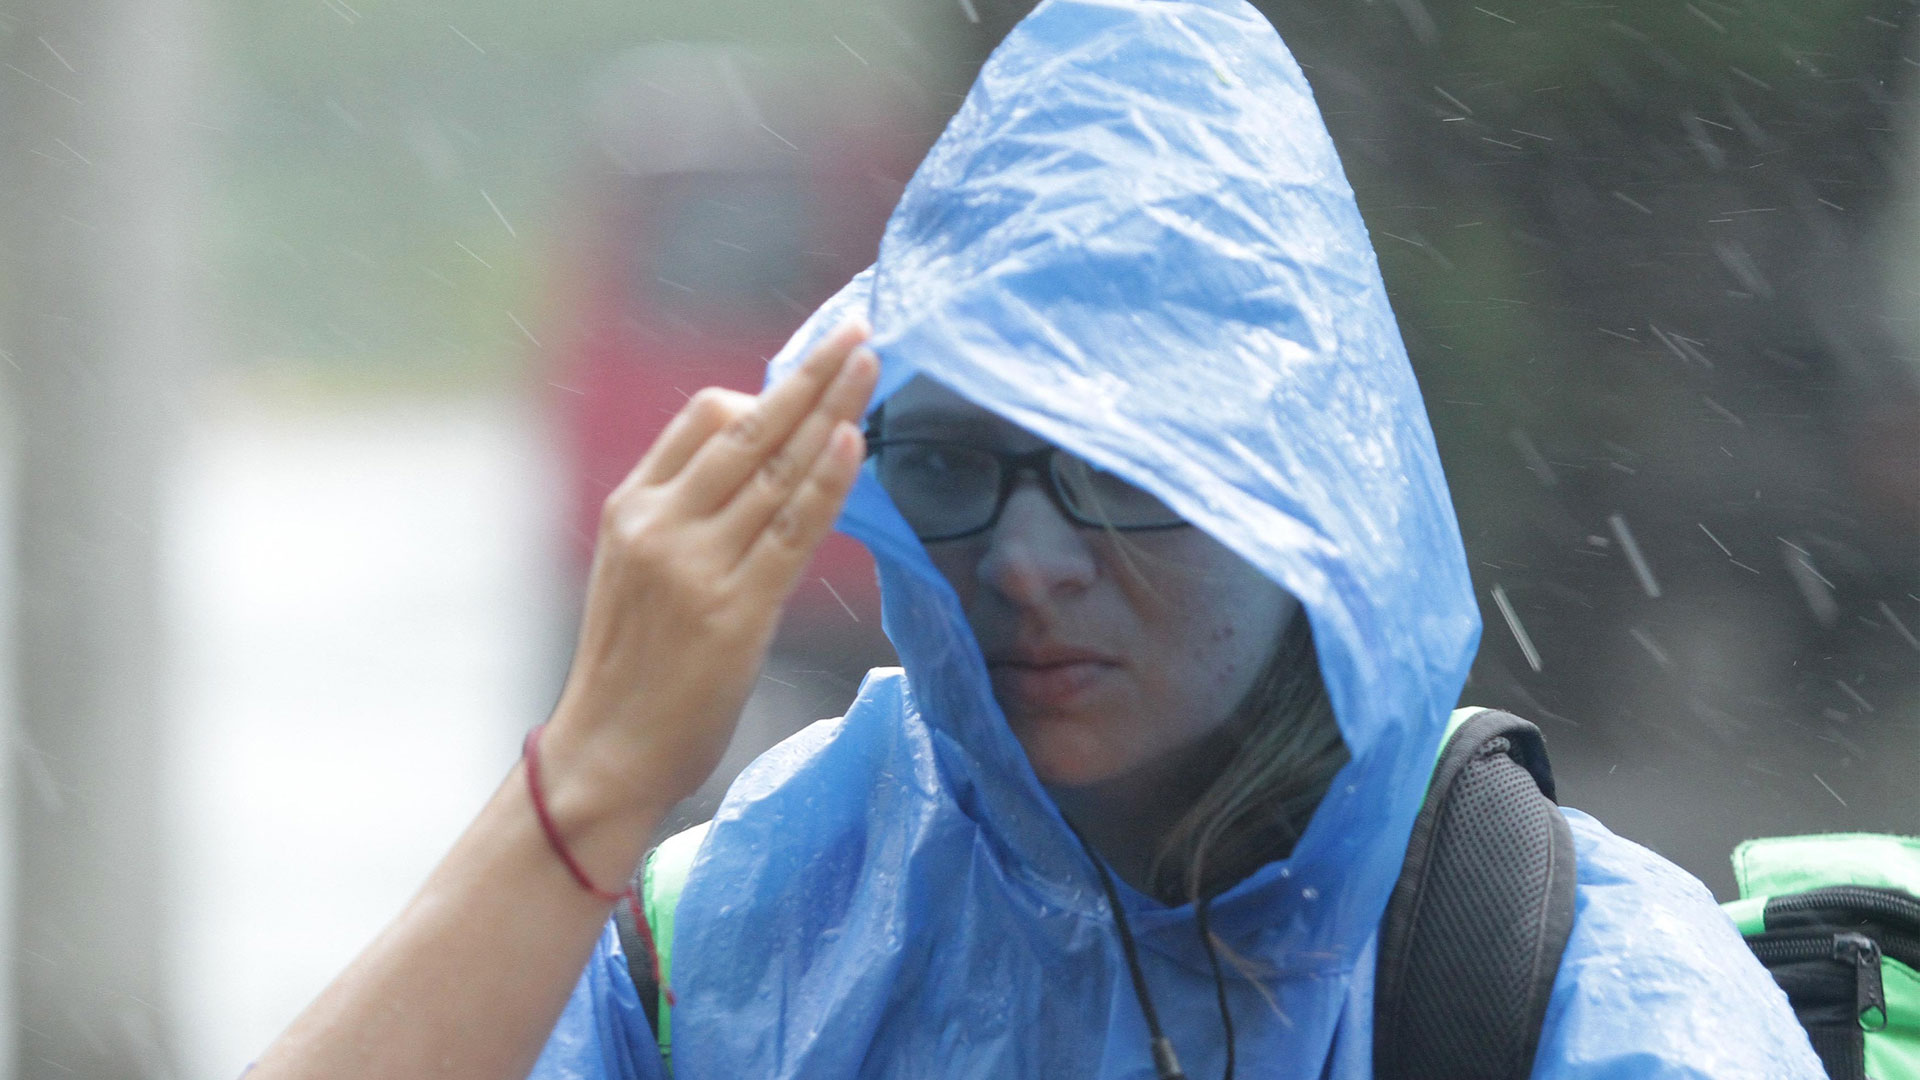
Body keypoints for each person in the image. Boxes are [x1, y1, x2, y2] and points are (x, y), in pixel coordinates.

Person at [247, 1, 1825, 1078]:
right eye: (952, 465)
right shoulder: (762, 923)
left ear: (1307, 496)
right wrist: (587, 784)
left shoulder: (1568, 991)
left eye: (1122, 470)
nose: (1023, 561)